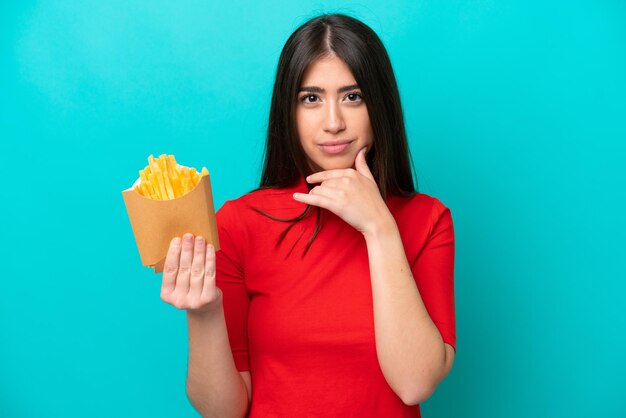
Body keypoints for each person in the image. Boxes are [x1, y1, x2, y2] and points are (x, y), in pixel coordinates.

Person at [160, 13, 456, 418]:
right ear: (289, 111)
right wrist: (204, 314)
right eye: (311, 98)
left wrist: (379, 228)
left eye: (353, 96)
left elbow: (414, 382)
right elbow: (223, 411)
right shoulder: (239, 222)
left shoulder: (428, 220)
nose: (333, 123)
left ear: (379, 105)